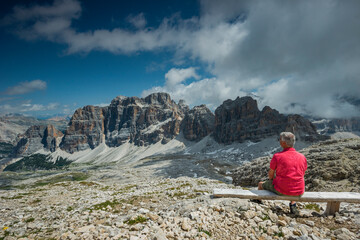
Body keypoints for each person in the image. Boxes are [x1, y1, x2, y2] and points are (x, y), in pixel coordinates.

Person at [257, 132, 307, 215]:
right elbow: (302, 173)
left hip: (282, 190)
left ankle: (257, 201)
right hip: (299, 191)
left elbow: (271, 174)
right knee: (292, 182)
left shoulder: (277, 156)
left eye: (279, 139)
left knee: (260, 184)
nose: (279, 141)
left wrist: (271, 180)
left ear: (283, 143)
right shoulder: (302, 157)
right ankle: (293, 205)